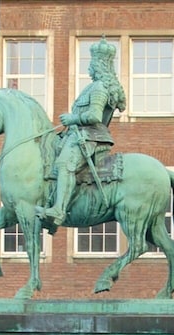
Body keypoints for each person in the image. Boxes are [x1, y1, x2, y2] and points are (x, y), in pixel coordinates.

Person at [43, 38, 126, 225]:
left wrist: (73, 119)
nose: (89, 67)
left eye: (92, 63)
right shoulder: (96, 86)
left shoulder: (99, 88)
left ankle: (58, 210)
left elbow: (95, 116)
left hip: (91, 137)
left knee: (65, 165)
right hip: (80, 135)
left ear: (98, 65)